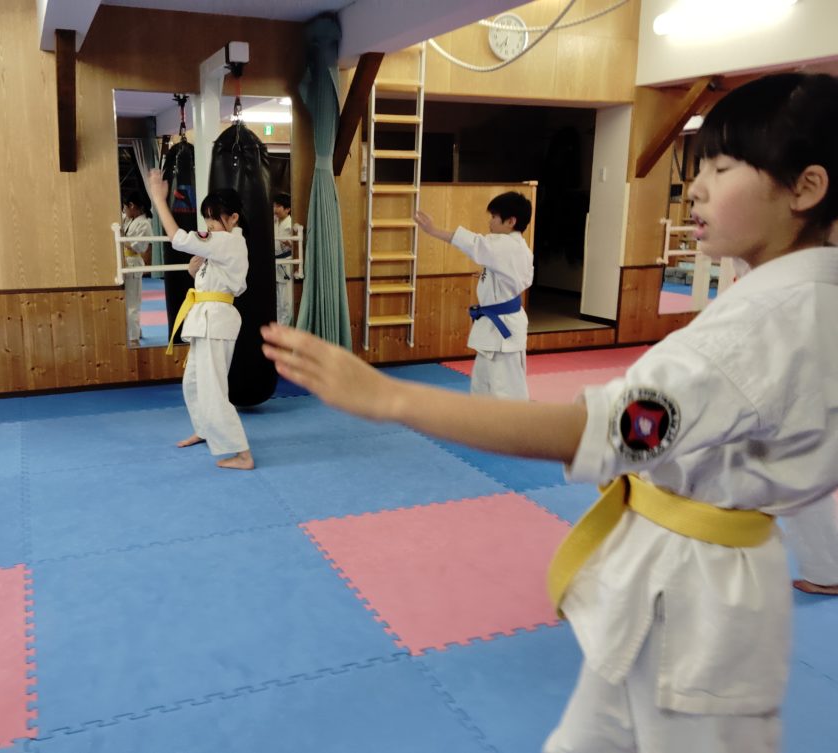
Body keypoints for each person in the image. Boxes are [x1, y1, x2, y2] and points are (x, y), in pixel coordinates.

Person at [262, 72, 838, 752]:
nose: (697, 188)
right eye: (700, 166)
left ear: (805, 187)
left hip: (701, 602)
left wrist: (391, 397)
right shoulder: (798, 302)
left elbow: (605, 429)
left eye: (722, 167)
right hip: (682, 574)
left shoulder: (763, 325)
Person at [147, 168, 254, 471]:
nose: (209, 225)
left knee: (212, 390)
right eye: (206, 218)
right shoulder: (224, 245)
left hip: (215, 322)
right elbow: (215, 280)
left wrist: (159, 199)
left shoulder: (228, 241)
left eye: (214, 218)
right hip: (207, 319)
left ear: (233, 218)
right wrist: (195, 271)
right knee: (193, 383)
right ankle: (205, 430)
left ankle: (242, 453)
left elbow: (178, 238)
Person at [415, 191, 534, 399]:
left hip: (502, 334)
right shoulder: (517, 247)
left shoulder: (506, 245)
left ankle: (513, 421)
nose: (490, 222)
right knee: (483, 387)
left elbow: (474, 243)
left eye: (494, 217)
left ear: (511, 221)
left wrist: (434, 231)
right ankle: (485, 419)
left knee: (505, 393)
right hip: (497, 330)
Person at [120, 192, 152, 346]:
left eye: (125, 207)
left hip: (133, 263)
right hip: (125, 262)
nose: (124, 211)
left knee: (132, 303)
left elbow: (137, 246)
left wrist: (121, 239)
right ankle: (136, 331)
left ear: (132, 206)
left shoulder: (144, 224)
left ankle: (134, 339)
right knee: (128, 301)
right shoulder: (130, 219)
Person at [273, 192, 294, 326]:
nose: (275, 208)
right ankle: (278, 327)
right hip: (275, 262)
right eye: (274, 205)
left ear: (287, 209)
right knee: (277, 301)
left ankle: (284, 328)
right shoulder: (274, 221)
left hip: (286, 262)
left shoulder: (290, 223)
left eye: (278, 206)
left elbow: (296, 246)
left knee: (286, 302)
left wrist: (289, 243)